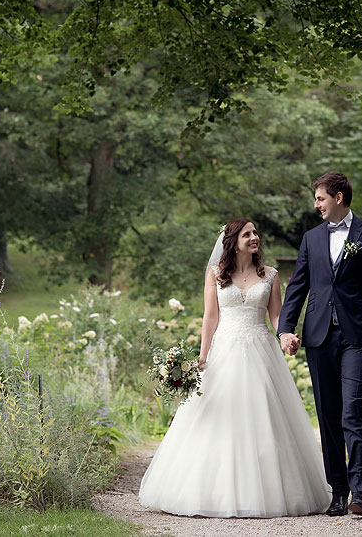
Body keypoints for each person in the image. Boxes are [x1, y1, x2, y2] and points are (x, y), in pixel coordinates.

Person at [139, 218, 330, 517]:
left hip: (260, 351)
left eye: (255, 233)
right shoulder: (216, 275)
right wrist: (202, 358)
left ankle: (271, 492)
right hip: (224, 352)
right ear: (233, 241)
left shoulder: (270, 275)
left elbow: (277, 318)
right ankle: (211, 493)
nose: (254, 238)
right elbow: (210, 318)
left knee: (264, 417)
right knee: (218, 419)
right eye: (247, 234)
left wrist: (286, 336)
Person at [277, 171, 362, 516]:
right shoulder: (310, 238)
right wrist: (285, 329)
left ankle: (359, 493)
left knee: (354, 411)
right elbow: (298, 287)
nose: (316, 204)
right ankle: (337, 491)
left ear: (338, 197)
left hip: (360, 337)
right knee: (328, 416)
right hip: (319, 336)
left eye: (321, 198)